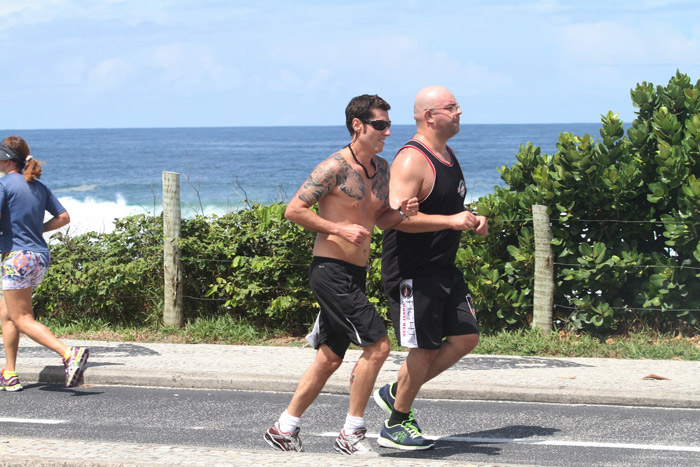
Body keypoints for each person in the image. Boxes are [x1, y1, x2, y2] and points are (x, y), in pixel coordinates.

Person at [263, 95, 418, 456]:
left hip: (355, 273)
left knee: (330, 358)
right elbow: (294, 210)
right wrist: (339, 229)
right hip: (330, 271)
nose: (387, 132)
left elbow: (381, 219)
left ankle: (284, 428)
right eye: (380, 125)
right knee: (378, 346)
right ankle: (351, 432)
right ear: (357, 125)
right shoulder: (333, 167)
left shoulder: (381, 168)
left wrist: (404, 213)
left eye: (388, 125)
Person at [375, 86, 488, 450]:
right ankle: (396, 424)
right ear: (429, 116)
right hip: (412, 270)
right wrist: (451, 222)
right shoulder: (411, 160)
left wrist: (471, 219)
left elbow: (447, 210)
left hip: (443, 267)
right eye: (451, 107)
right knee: (423, 348)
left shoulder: (448, 154)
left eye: (457, 106)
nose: (459, 112)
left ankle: (397, 391)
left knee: (466, 337)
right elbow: (394, 219)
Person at [0, 136, 89, 392]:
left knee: (22, 317)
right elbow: (63, 217)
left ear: (6, 159)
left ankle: (68, 353)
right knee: (6, 314)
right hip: (39, 256)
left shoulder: (5, 185)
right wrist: (35, 229)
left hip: (16, 258)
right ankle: (10, 373)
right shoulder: (38, 186)